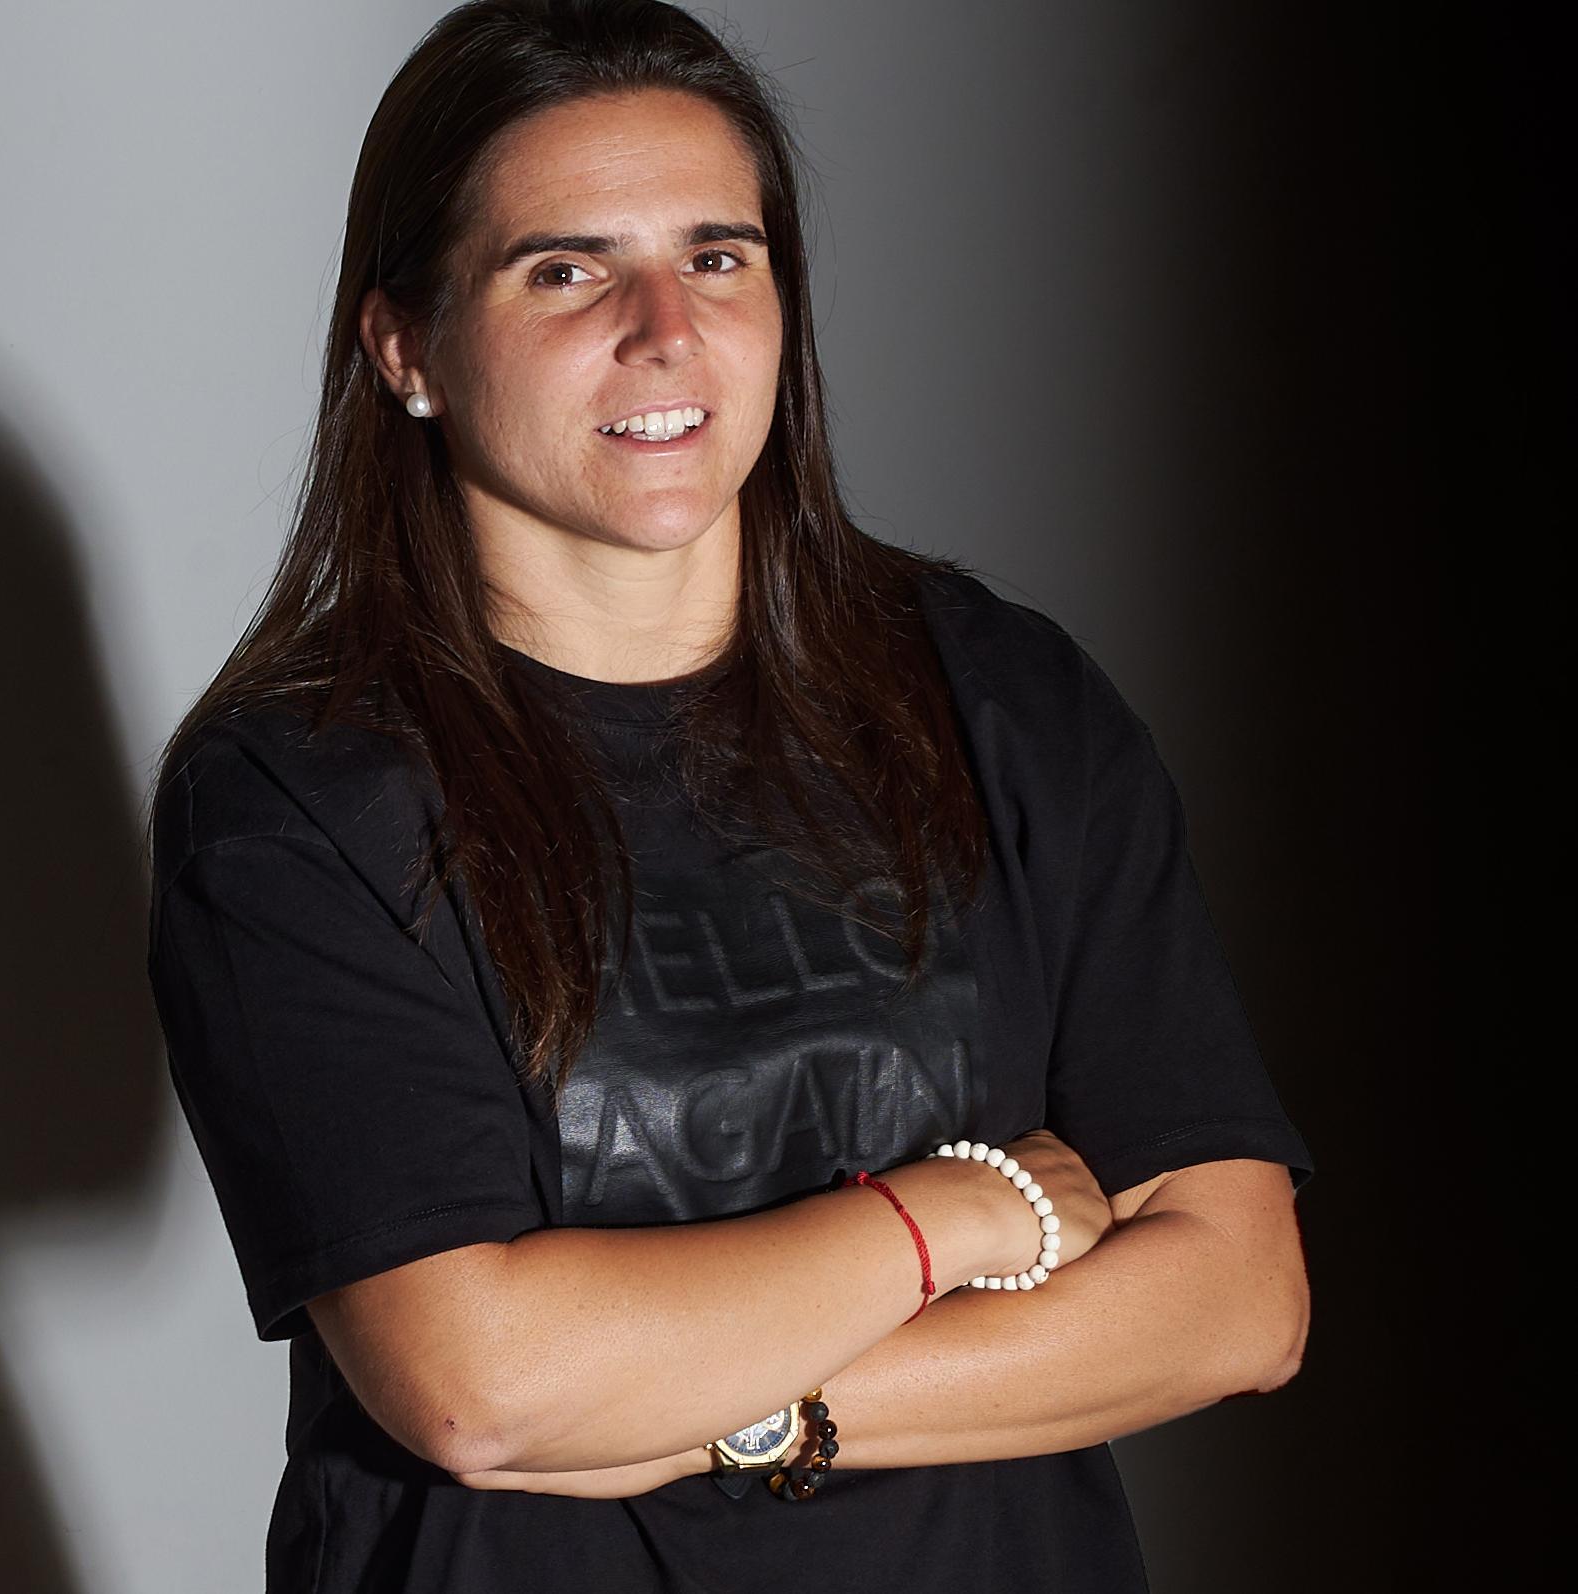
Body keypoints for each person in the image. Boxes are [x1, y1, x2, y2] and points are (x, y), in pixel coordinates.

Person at [142, 2, 1315, 1588]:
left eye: (717, 256)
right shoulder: (297, 797)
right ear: (406, 347)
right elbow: (481, 1383)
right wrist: (952, 1218)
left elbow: (1239, 1299)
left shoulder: (1006, 702)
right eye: (566, 271)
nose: (665, 329)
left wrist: (744, 1411)